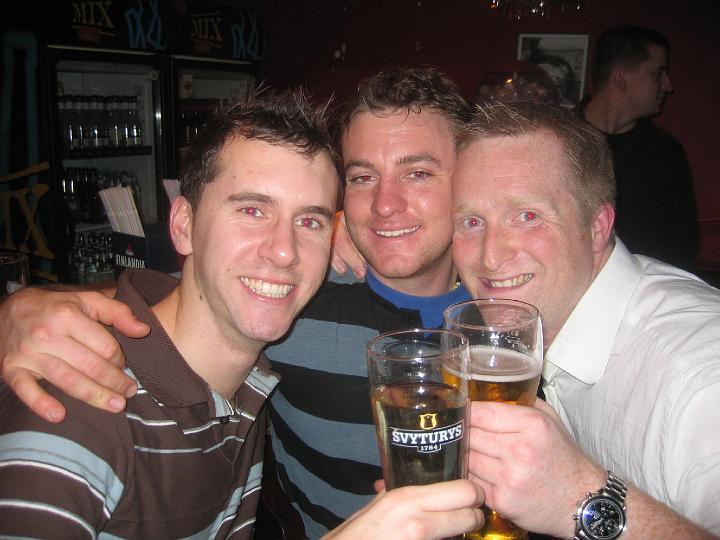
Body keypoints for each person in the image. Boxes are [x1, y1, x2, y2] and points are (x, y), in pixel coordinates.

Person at [0, 67, 477, 538]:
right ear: (183, 224)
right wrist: (21, 309)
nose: (385, 204)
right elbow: (194, 294)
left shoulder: (511, 315)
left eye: (418, 173)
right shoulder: (83, 405)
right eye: (363, 177)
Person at [452, 102, 719, 538]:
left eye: (527, 216)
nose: (491, 257)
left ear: (597, 226)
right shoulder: (549, 316)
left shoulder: (699, 379)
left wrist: (578, 498)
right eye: (471, 221)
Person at [577, 24, 699, 270]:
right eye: (658, 73)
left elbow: (681, 245)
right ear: (621, 78)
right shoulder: (557, 141)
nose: (668, 85)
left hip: (640, 287)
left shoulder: (665, 153)